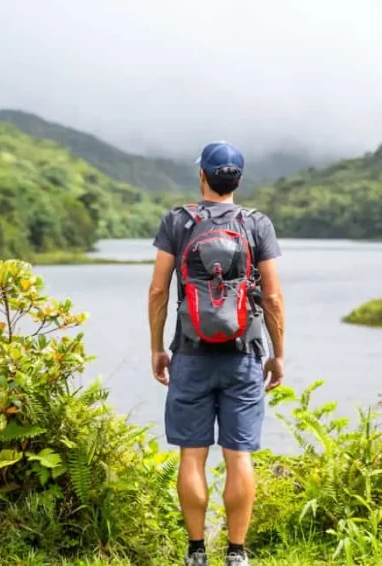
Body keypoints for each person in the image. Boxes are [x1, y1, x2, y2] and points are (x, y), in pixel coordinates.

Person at [147, 140, 286, 566]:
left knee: (192, 455)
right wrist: (277, 354)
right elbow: (274, 299)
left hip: (189, 353)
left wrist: (157, 348)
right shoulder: (256, 224)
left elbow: (157, 290)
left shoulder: (179, 221)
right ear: (237, 180)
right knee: (238, 454)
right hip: (244, 353)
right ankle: (237, 553)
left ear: (202, 175)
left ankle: (195, 553)